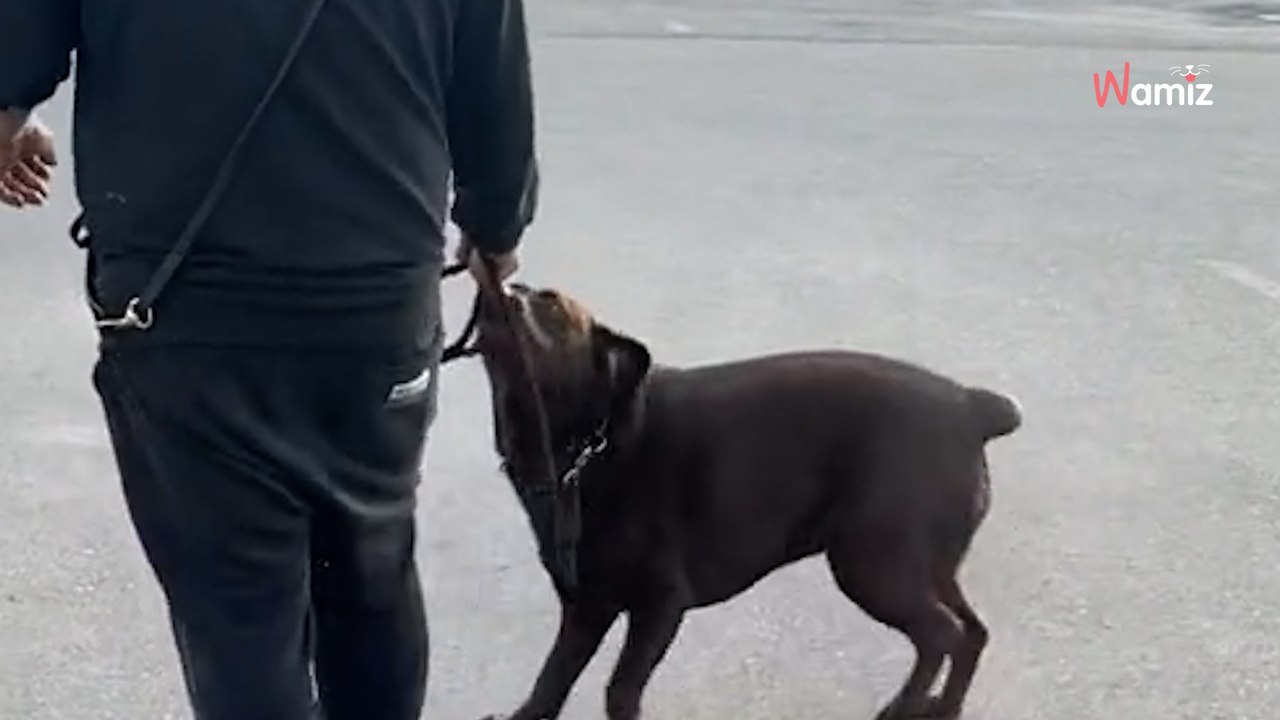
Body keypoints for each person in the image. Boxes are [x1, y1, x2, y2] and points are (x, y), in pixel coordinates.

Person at [0, 0, 537, 718]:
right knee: (371, 570)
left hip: (188, 310)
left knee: (239, 617)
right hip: (376, 301)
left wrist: (14, 123)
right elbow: (493, 91)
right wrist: (496, 228)